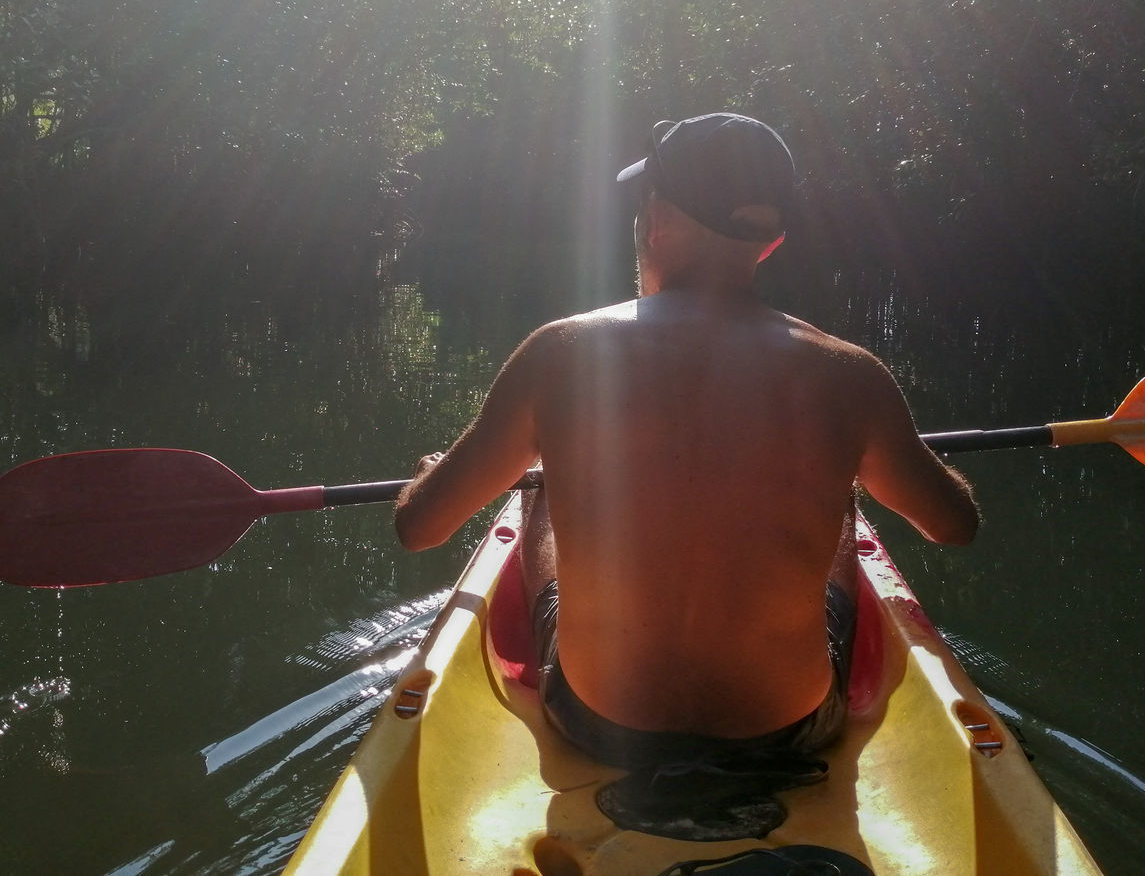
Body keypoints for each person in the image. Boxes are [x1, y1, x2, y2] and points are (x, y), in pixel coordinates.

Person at [395, 112, 977, 770]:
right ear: (771, 240)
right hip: (787, 730)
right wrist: (884, 459)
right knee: (844, 500)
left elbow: (420, 526)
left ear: (659, 218)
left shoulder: (559, 354)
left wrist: (432, 472)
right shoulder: (850, 374)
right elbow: (953, 524)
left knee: (536, 493)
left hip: (601, 724)